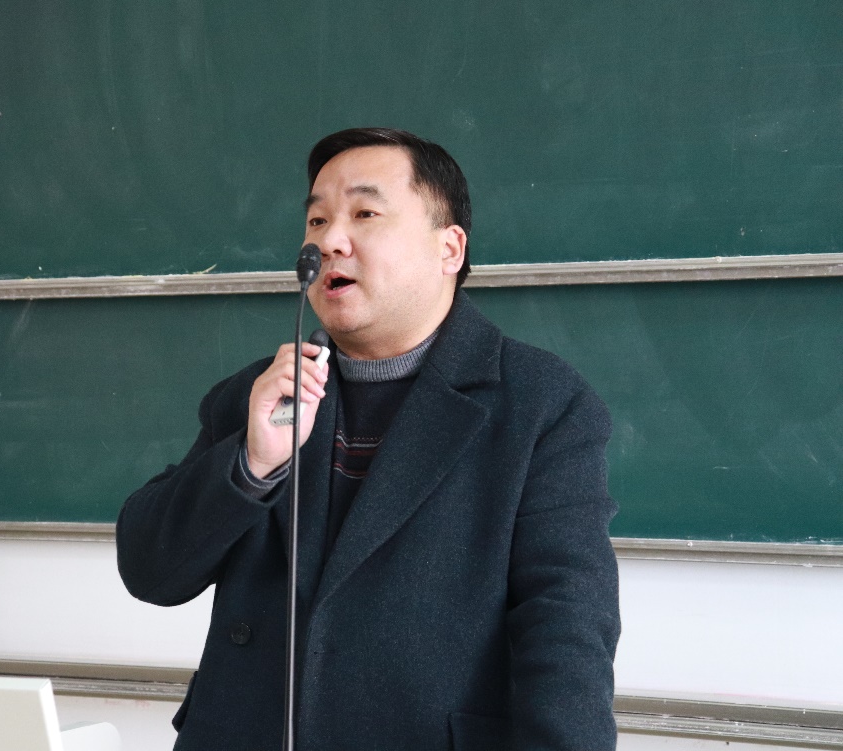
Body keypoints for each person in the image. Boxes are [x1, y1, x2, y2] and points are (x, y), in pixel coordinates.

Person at [117, 128, 620, 750]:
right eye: (317, 219)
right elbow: (151, 573)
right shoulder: (259, 393)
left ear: (449, 248)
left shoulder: (540, 403)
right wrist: (251, 466)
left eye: (364, 214)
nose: (329, 240)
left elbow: (567, 624)